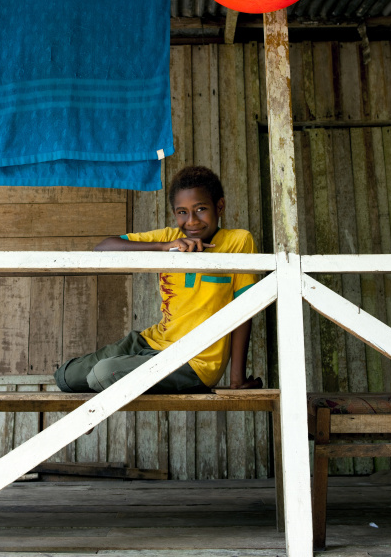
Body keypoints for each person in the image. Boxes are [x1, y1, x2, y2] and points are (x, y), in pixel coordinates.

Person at [54, 165, 262, 394]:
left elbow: (245, 311)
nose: (191, 221)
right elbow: (102, 248)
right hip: (152, 342)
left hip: (194, 361)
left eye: (200, 209)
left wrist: (237, 380)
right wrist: (163, 247)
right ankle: (107, 381)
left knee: (105, 372)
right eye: (182, 212)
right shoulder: (169, 238)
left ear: (219, 206)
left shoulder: (238, 242)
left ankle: (97, 403)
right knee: (66, 376)